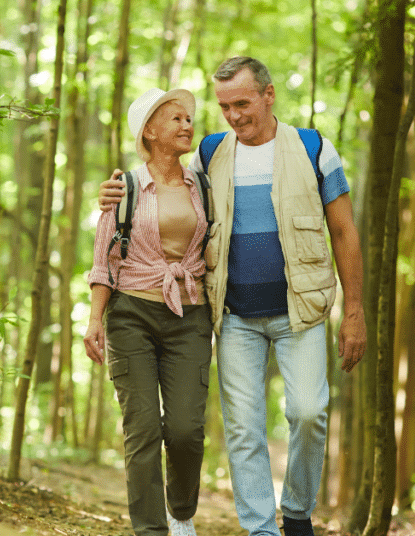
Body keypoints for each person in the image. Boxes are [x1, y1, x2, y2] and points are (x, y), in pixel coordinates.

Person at [97, 57, 367, 536]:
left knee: (308, 412)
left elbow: (344, 231)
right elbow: (161, 180)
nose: (234, 116)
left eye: (243, 103)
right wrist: (114, 192)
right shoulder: (210, 153)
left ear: (268, 95)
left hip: (300, 310)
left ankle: (298, 513)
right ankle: (261, 529)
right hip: (234, 316)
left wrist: (355, 311)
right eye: (224, 107)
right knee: (244, 430)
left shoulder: (313, 148)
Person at [84, 86, 212, 536]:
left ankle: (180, 513)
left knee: (185, 429)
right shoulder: (125, 188)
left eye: (188, 119)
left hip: (190, 316)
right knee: (142, 430)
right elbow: (104, 262)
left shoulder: (204, 185)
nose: (186, 125)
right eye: (175, 119)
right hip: (131, 316)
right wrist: (94, 321)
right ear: (150, 131)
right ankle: (151, 531)